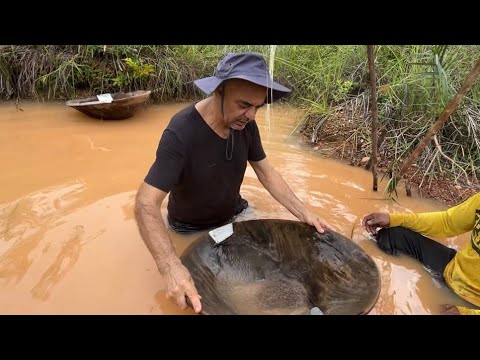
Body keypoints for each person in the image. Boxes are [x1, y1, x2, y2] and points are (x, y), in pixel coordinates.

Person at [134, 52, 332, 314]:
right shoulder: (181, 133)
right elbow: (145, 203)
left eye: (257, 107)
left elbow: (266, 171)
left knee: (274, 265)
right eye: (243, 104)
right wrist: (170, 266)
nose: (251, 115)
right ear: (218, 91)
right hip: (190, 228)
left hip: (235, 213)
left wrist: (303, 211)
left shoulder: (246, 124)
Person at [362, 193, 480, 315]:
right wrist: (393, 219)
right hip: (453, 268)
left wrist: (466, 313)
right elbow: (447, 222)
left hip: (474, 302)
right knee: (392, 234)